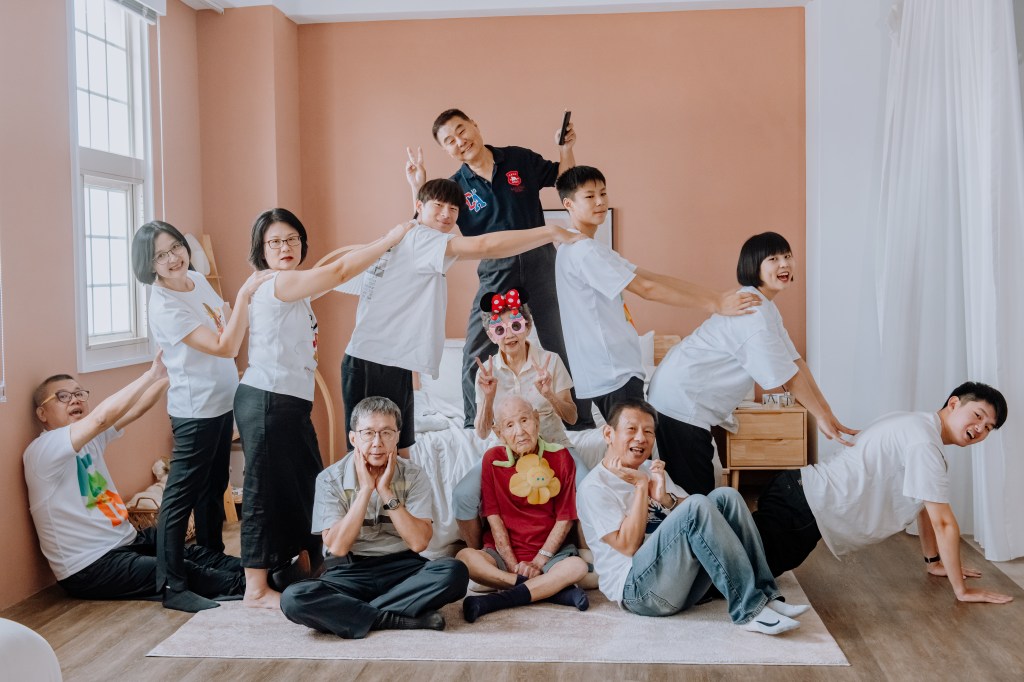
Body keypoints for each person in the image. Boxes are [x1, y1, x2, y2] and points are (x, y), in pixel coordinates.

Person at [236, 208, 414, 609]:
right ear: (261, 250)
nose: (285, 247)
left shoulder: (294, 286)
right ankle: (255, 589)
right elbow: (338, 271)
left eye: (292, 239)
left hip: (287, 404)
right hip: (266, 400)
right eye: (275, 241)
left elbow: (337, 270)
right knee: (263, 490)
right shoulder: (279, 282)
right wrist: (390, 238)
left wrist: (391, 242)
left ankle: (309, 565)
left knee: (307, 484)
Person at [340, 178, 582, 459]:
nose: (446, 214)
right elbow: (486, 246)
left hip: (392, 360)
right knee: (368, 454)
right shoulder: (422, 239)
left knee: (399, 449)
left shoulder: (411, 235)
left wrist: (418, 187)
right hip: (373, 359)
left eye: (453, 209)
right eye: (438, 206)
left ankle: (401, 491)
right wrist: (550, 231)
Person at [405, 108, 592, 429]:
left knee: (560, 340)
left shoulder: (518, 159)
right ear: (446, 150)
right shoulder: (456, 186)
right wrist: (417, 186)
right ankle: (472, 424)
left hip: (541, 262)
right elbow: (429, 228)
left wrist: (566, 148)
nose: (460, 142)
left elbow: (565, 180)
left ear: (475, 126)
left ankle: (581, 423)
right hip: (496, 270)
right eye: (449, 141)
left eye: (461, 131)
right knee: (475, 350)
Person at [753, 382, 1014, 604]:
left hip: (798, 494)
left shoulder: (917, 425)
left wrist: (933, 561)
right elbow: (944, 524)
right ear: (954, 403)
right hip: (802, 510)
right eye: (978, 415)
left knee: (745, 563)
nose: (980, 428)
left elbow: (924, 505)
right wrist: (962, 591)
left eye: (988, 427)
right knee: (739, 576)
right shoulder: (925, 444)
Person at [647, 231, 857, 495]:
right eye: (773, 259)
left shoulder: (764, 306)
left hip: (682, 399)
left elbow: (795, 361)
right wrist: (821, 417)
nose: (784, 264)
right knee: (694, 496)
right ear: (753, 266)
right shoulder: (753, 312)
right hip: (679, 401)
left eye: (787, 256)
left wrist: (826, 411)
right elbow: (788, 377)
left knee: (699, 491)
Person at [23, 354, 245, 603]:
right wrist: (151, 374)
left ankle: (260, 572)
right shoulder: (42, 451)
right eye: (63, 396)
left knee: (191, 553)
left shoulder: (89, 439)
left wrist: (173, 370)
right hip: (89, 566)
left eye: (78, 394)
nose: (74, 399)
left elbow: (136, 408)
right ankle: (255, 588)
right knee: (182, 570)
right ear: (42, 413)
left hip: (127, 541)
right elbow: (100, 418)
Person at [576, 399, 809, 635]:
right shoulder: (595, 487)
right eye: (631, 429)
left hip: (680, 584)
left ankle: (766, 596)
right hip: (639, 593)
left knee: (726, 497)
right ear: (609, 434)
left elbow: (703, 512)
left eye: (648, 432)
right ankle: (749, 610)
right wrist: (640, 486)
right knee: (696, 505)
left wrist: (665, 498)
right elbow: (628, 546)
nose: (640, 438)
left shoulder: (649, 468)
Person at [130, 221, 269, 612]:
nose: (173, 258)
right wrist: (246, 293)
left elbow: (224, 320)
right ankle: (172, 586)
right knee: (180, 498)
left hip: (222, 403)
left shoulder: (194, 279)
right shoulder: (164, 305)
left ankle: (213, 563)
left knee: (213, 488)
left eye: (176, 246)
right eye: (161, 255)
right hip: (195, 411)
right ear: (149, 264)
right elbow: (225, 346)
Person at [553, 166, 760, 422]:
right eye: (589, 196)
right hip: (612, 371)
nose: (600, 202)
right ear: (569, 204)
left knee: (634, 443)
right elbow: (646, 289)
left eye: (603, 193)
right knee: (635, 444)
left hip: (615, 370)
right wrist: (715, 304)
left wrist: (716, 296)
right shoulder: (584, 251)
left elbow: (650, 278)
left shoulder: (591, 248)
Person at [280, 397, 469, 638]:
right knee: (293, 598)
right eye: (368, 433)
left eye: (386, 433)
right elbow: (337, 547)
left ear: (397, 437)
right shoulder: (330, 479)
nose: (377, 443)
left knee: (454, 572)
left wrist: (385, 491)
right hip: (349, 570)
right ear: (353, 438)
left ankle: (356, 614)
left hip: (402, 569)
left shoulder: (414, 475)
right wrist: (366, 490)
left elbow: (418, 543)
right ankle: (395, 618)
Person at [452, 287, 588, 548]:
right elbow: (482, 432)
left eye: (515, 325)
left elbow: (572, 418)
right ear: (491, 335)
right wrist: (488, 397)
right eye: (500, 330)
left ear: (527, 326)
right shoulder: (486, 371)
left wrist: (549, 394)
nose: (509, 335)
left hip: (554, 445)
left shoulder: (550, 361)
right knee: (462, 495)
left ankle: (587, 554)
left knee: (588, 488)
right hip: (506, 451)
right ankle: (481, 555)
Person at [456, 396, 589, 623]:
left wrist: (538, 562)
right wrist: (512, 565)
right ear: (499, 433)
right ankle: (552, 591)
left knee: (577, 567)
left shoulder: (561, 456)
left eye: (525, 420)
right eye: (509, 425)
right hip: (504, 555)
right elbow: (494, 518)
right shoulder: (492, 459)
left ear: (537, 420)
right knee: (464, 558)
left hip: (550, 554)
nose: (520, 431)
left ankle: (497, 600)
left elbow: (565, 518)